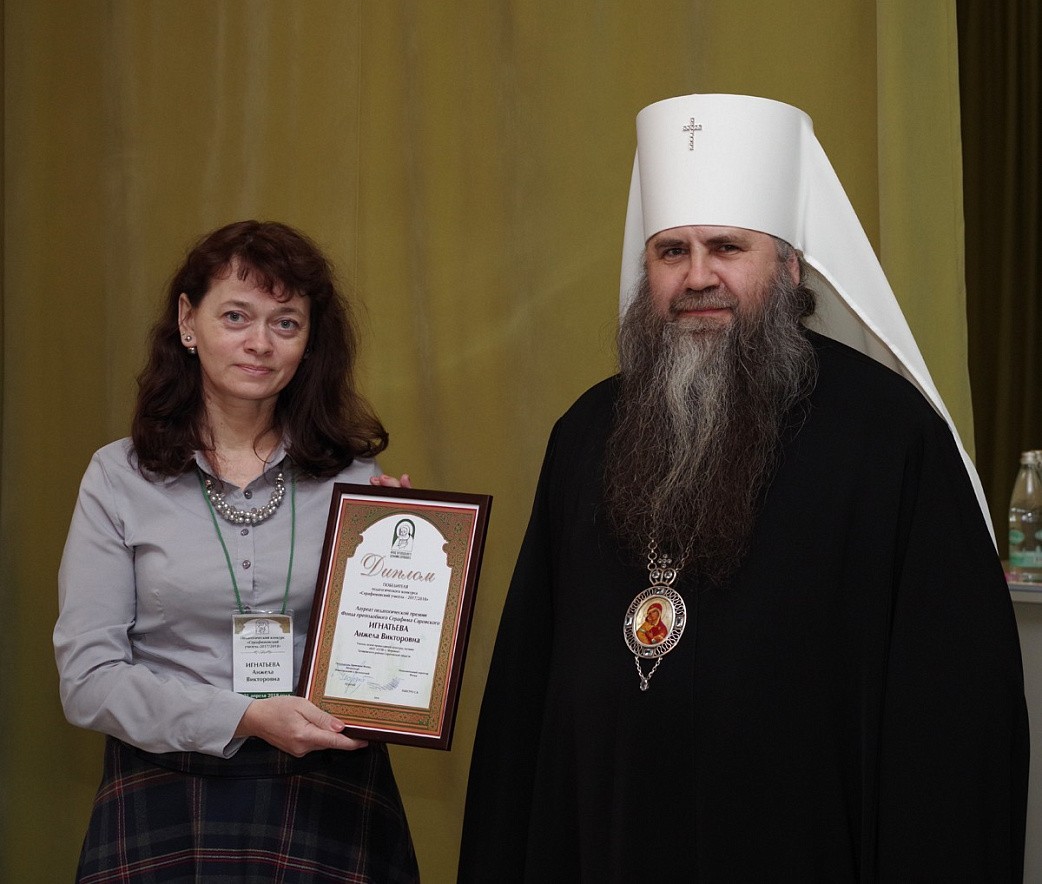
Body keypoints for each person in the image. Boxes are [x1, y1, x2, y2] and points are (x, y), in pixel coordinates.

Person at [458, 95, 1029, 881]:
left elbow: (956, 727)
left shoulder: (890, 438)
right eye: (672, 251)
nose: (698, 277)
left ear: (789, 268)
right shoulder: (588, 433)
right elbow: (527, 693)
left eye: (727, 247)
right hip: (610, 844)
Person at [54, 220, 419, 882]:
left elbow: (387, 667)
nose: (260, 343)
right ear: (187, 323)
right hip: (164, 788)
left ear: (309, 343)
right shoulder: (118, 477)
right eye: (236, 316)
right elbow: (87, 681)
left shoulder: (358, 482)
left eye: (286, 323)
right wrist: (244, 716)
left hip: (325, 792)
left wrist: (410, 563)